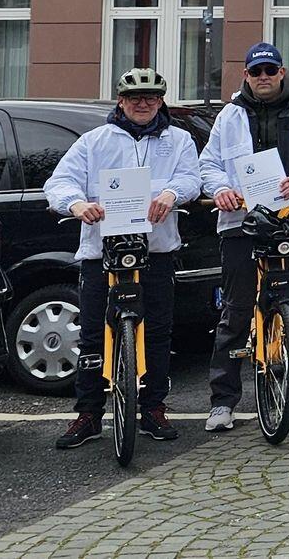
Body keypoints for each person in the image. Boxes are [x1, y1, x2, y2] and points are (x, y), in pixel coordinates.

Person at [198, 43, 289, 432]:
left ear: (282, 72)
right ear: (246, 76)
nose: (263, 77)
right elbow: (209, 164)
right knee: (236, 309)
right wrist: (220, 189)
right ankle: (223, 401)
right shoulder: (229, 115)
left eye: (270, 70)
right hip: (241, 221)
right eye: (256, 72)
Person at [48, 68, 201, 449]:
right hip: (101, 251)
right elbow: (60, 181)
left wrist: (172, 193)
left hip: (156, 250)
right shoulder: (94, 141)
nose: (142, 103)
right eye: (134, 97)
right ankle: (88, 414)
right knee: (92, 335)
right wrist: (76, 203)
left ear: (161, 101)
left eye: (150, 97)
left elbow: (191, 179)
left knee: (158, 333)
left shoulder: (178, 139)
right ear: (121, 100)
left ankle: (153, 408)